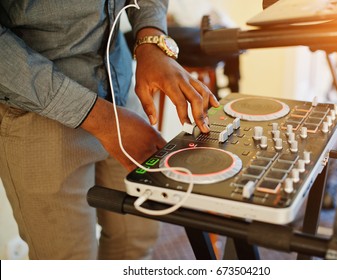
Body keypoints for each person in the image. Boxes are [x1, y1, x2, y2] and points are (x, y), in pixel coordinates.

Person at [0, 0, 219, 259]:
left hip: (121, 87)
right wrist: (103, 121)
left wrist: (152, 41)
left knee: (138, 237)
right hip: (38, 110)